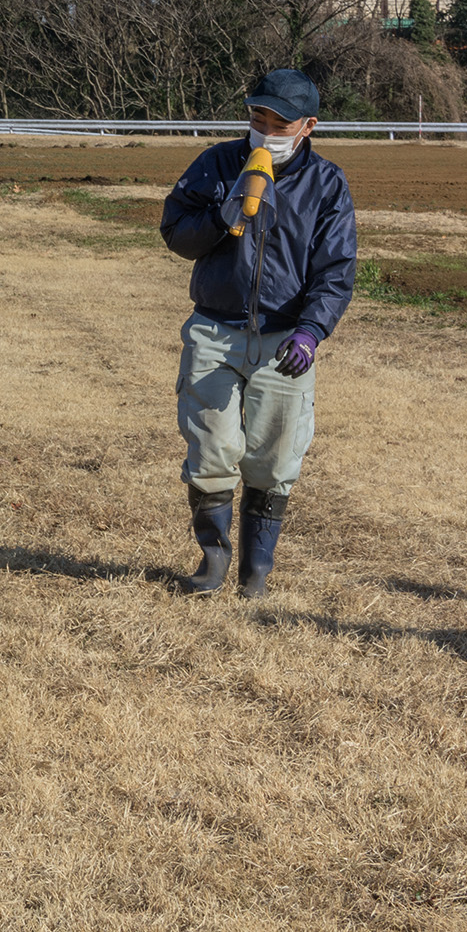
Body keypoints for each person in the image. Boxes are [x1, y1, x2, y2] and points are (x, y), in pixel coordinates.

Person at [161, 67, 357, 598]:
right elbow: (176, 233)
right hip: (214, 332)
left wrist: (311, 331)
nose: (264, 128)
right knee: (210, 447)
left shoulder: (327, 185)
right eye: (256, 117)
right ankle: (212, 560)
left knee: (274, 459)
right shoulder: (217, 163)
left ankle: (257, 573)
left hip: (284, 340)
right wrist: (223, 216)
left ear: (307, 125)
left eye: (277, 121)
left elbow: (335, 272)